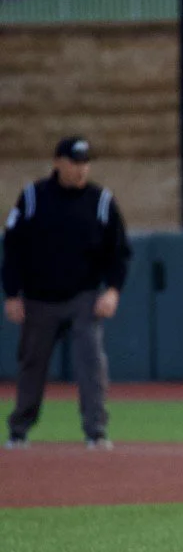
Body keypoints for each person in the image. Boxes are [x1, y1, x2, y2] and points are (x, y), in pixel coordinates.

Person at [3, 137, 132, 450]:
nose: (81, 168)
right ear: (58, 162)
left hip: (83, 296)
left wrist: (113, 290)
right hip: (38, 297)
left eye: (85, 162)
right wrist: (11, 294)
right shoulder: (33, 197)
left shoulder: (100, 201)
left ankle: (96, 431)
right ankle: (19, 429)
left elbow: (119, 251)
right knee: (32, 364)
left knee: (91, 362)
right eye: (75, 162)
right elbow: (13, 247)